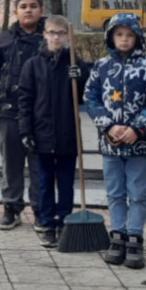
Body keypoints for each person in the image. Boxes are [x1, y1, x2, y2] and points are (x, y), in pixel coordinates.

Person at [81, 10, 146, 268]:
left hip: (140, 143)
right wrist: (108, 125)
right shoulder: (102, 66)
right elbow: (91, 97)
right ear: (111, 37)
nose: (124, 39)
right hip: (111, 142)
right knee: (115, 191)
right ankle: (117, 235)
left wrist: (137, 128)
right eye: (119, 35)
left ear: (137, 37)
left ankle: (135, 237)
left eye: (130, 35)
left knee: (138, 193)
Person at [17, 14, 90, 245]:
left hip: (68, 135)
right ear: (45, 34)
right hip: (42, 134)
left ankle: (65, 221)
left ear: (67, 35)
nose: (56, 37)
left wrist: (81, 76)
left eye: (60, 33)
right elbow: (25, 100)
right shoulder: (33, 65)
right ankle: (47, 223)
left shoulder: (74, 63)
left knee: (66, 182)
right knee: (45, 181)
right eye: (51, 33)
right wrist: (26, 131)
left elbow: (85, 94)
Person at [0, 0, 47, 229]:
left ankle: (41, 211)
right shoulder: (4, 40)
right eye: (23, 6)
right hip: (8, 112)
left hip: (41, 115)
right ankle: (11, 207)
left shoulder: (51, 39)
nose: (28, 10)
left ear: (41, 10)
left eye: (33, 6)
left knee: (40, 166)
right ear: (15, 11)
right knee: (11, 164)